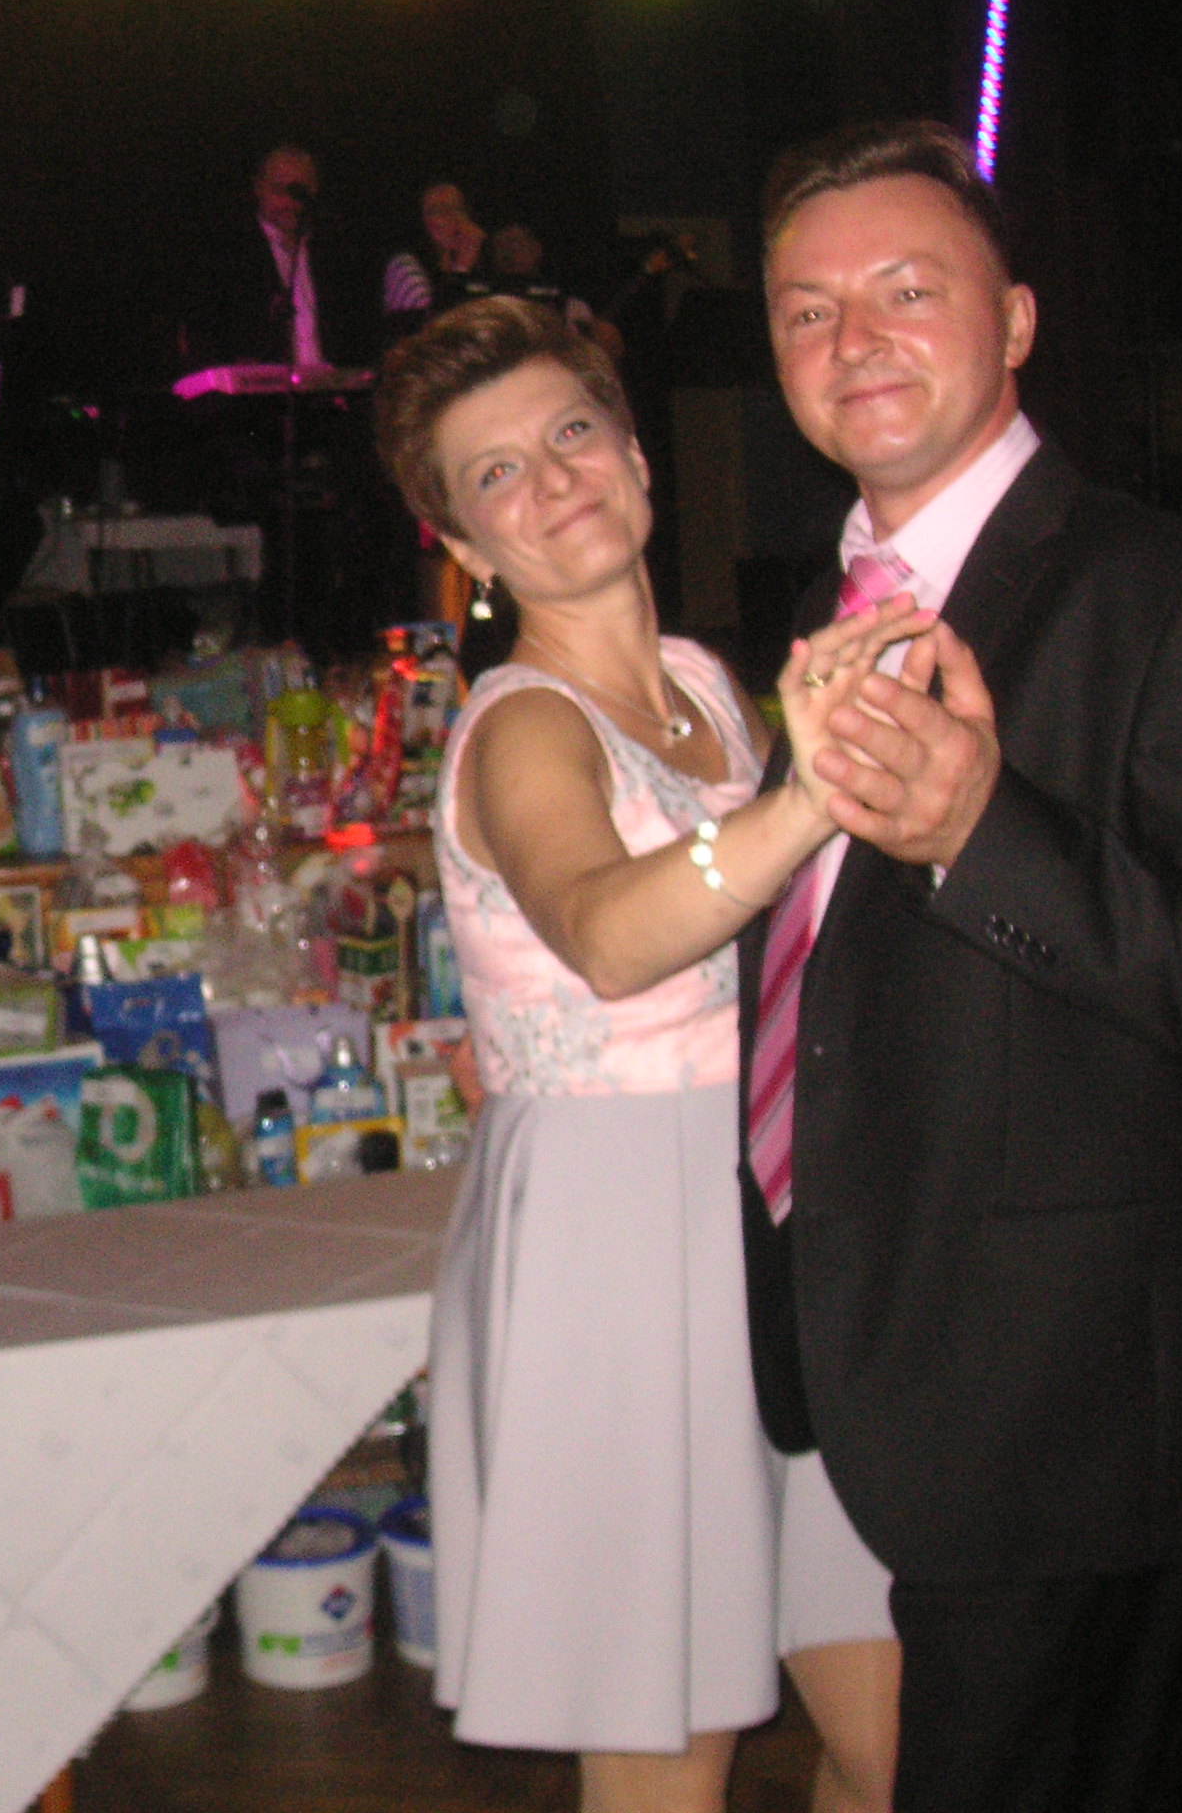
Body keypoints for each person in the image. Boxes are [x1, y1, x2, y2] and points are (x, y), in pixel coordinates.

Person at [745, 119, 1182, 1808]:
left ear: (1018, 319)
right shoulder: (829, 608)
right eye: (808, 311)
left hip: (1072, 1404)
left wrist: (985, 833)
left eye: (908, 291)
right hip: (884, 1361)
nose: (853, 339)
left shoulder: (1162, 593)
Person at [376, 295, 910, 1813]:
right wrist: (807, 799)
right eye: (496, 475)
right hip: (617, 1240)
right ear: (466, 548)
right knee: (667, 1752)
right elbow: (608, 936)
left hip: (777, 1203)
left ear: (635, 457)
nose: (552, 481)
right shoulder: (520, 728)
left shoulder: (703, 683)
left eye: (571, 433)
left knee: (893, 1732)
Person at [180, 145, 374, 373]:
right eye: (277, 190)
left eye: (298, 192)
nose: (288, 202)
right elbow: (202, 333)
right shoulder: (227, 254)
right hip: (260, 391)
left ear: (313, 190)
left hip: (329, 388)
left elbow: (357, 331)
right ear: (258, 188)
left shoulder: (334, 253)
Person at [383, 179, 488, 334]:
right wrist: (461, 269)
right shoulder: (404, 266)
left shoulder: (481, 265)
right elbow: (433, 333)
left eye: (456, 209)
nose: (450, 217)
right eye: (437, 211)